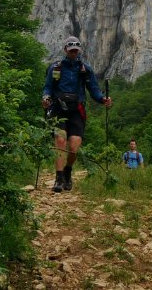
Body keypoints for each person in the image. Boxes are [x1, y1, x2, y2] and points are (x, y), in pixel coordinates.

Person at [42, 36, 111, 192]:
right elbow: (47, 87)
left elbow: (94, 89)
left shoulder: (85, 69)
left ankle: (68, 171)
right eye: (71, 50)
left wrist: (103, 99)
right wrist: (45, 98)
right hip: (58, 109)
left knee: (73, 147)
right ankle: (58, 179)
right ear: (65, 50)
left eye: (76, 51)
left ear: (79, 51)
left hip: (77, 111)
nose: (74, 53)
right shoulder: (56, 68)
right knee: (60, 140)